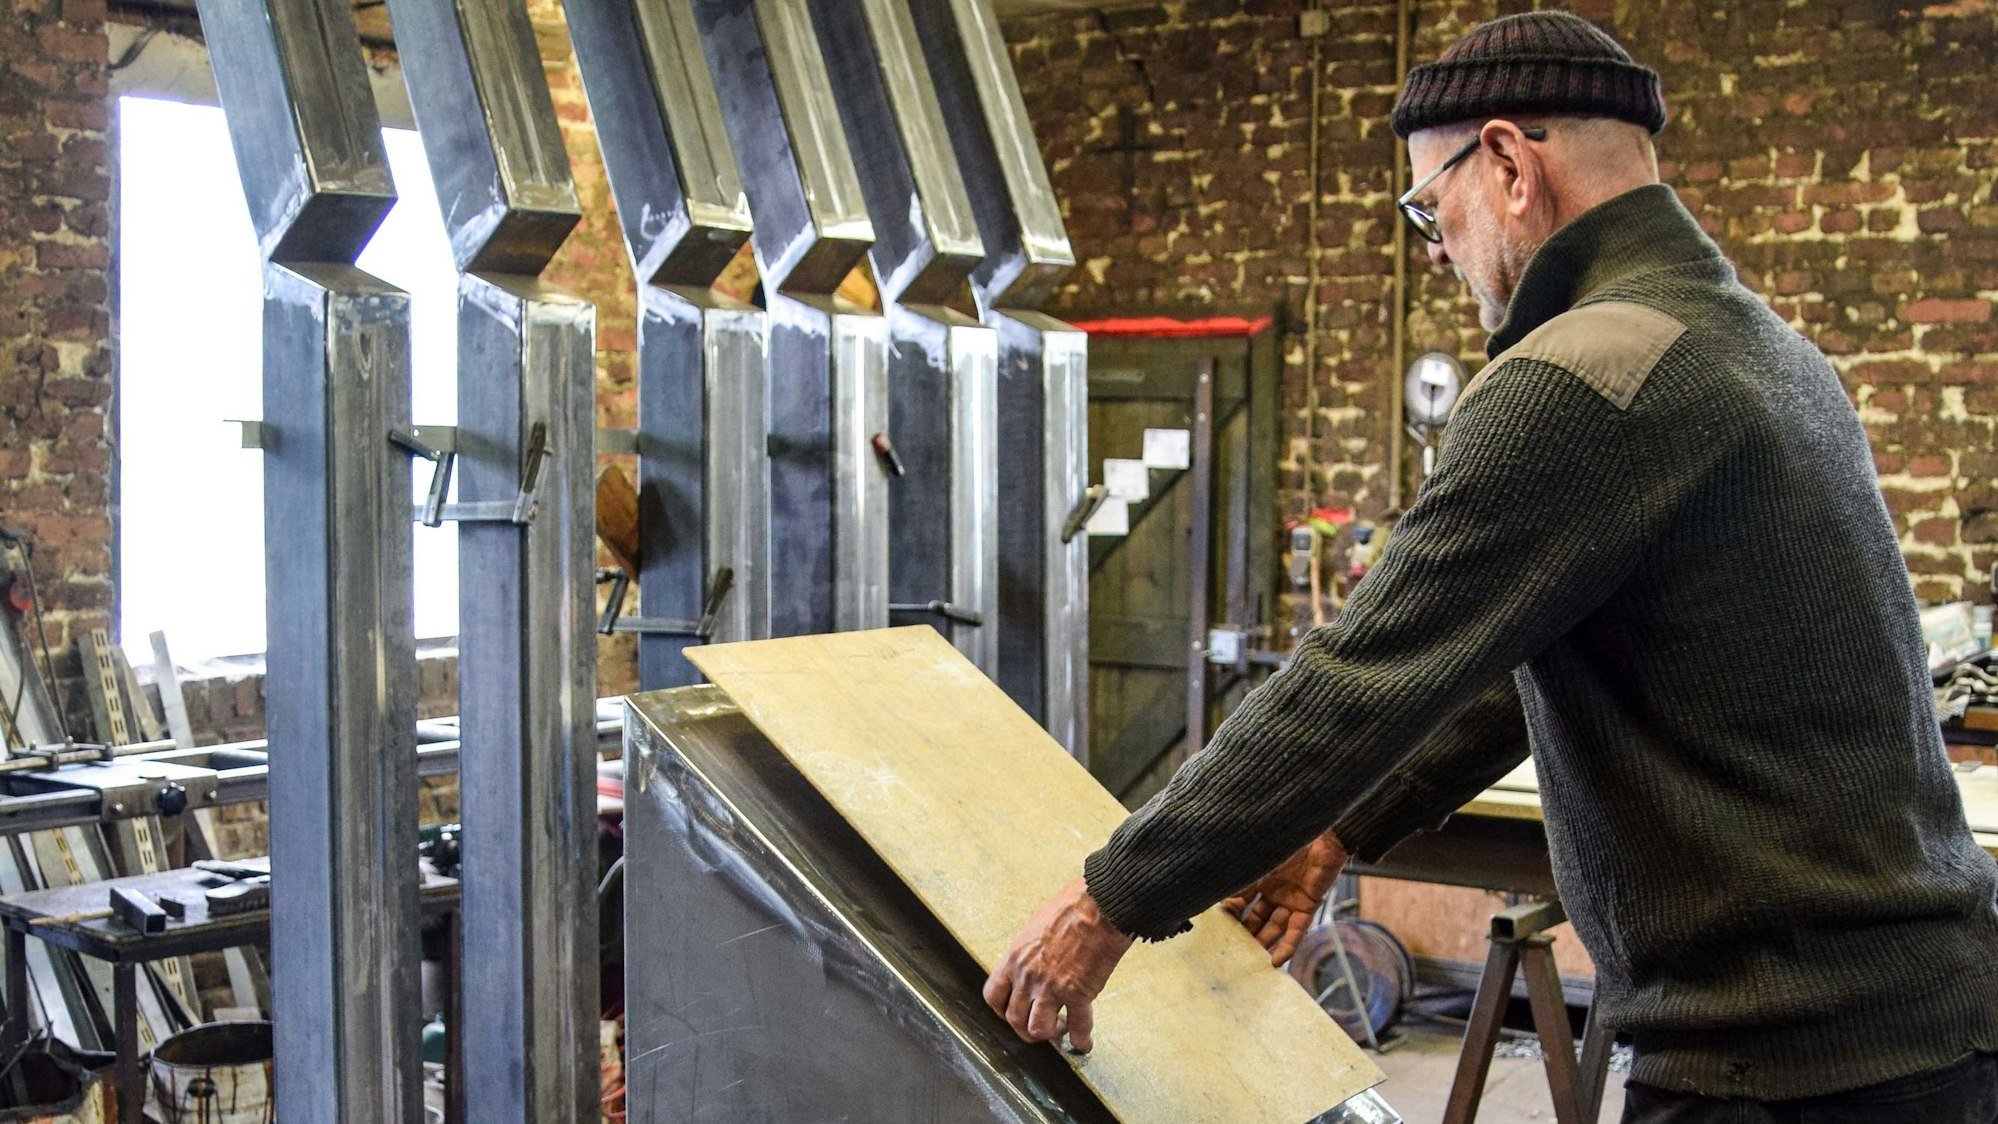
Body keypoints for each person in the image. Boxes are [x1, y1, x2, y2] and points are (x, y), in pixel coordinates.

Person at [981, 11, 1998, 1122]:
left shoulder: (1582, 376)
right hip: (1918, 1031)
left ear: (1509, 162)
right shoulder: (1765, 351)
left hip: (1790, 1065)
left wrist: (1106, 902)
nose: (1432, 245)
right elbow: (1521, 661)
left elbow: (1358, 677)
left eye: (1429, 203)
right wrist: (1336, 829)